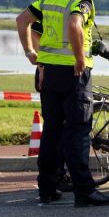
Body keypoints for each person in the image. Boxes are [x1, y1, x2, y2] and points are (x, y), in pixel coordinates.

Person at [16, 0, 109, 207]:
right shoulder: (81, 0)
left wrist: (30, 52)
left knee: (52, 131)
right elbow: (74, 25)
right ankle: (85, 192)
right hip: (73, 74)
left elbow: (21, 20)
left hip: (49, 72)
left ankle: (47, 188)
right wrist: (80, 59)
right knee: (78, 131)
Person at [30, 21, 73, 193]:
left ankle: (53, 179)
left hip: (56, 70)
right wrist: (41, 66)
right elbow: (34, 33)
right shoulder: (61, 5)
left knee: (56, 129)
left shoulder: (54, 3)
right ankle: (56, 177)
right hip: (52, 71)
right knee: (57, 129)